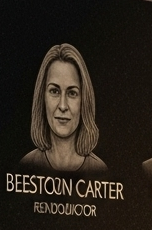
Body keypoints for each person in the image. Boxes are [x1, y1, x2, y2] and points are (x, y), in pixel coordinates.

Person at [20, 44, 105, 173]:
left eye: (72, 93)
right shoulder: (26, 166)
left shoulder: (100, 171)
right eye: (54, 91)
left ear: (84, 101)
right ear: (42, 98)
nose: (63, 106)